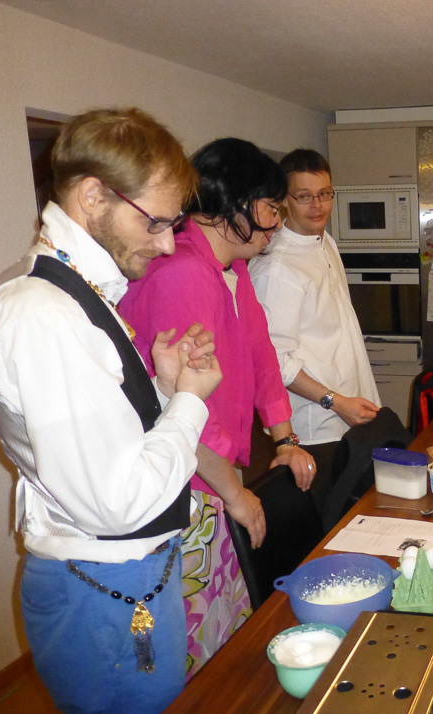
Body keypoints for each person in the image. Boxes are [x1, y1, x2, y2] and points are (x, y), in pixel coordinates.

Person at [0, 107, 222, 714]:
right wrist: (190, 403)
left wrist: (161, 388)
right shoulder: (42, 316)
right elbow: (116, 501)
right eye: (156, 221)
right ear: (92, 196)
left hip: (121, 583)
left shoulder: (77, 294)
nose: (166, 244)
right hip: (105, 591)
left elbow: (108, 440)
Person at [119, 138, 316, 678]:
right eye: (272, 208)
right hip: (185, 482)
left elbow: (260, 354)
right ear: (235, 203)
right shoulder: (183, 274)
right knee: (197, 644)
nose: (277, 223)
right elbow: (181, 409)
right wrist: (235, 494)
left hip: (214, 474)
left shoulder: (232, 269)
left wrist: (284, 439)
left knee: (227, 622)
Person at [249, 149, 380, 456]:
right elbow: (274, 359)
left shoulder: (325, 241)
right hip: (313, 428)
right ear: (284, 199)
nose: (318, 205)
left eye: (324, 194)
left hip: (349, 412)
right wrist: (336, 402)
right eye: (304, 196)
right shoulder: (277, 266)